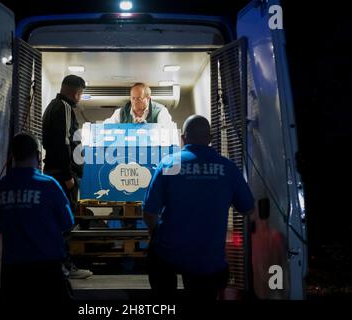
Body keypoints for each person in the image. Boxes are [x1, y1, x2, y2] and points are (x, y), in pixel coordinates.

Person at [143, 115, 255, 300]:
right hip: (209, 260)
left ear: (183, 138)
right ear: (210, 139)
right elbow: (248, 209)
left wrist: (156, 233)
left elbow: (149, 213)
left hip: (169, 253)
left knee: (157, 255)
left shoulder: (170, 164)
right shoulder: (228, 168)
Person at [0, 133, 74, 301]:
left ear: (12, 155)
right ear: (38, 155)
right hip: (46, 268)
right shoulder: (48, 184)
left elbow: (1, 225)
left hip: (12, 270)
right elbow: (68, 222)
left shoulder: (1, 187)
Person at [42, 74, 93, 279]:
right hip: (61, 176)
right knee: (64, 223)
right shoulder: (63, 107)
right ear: (76, 92)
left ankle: (60, 265)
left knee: (59, 223)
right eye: (80, 93)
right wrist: (67, 175)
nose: (80, 97)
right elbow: (63, 143)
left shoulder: (52, 107)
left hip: (56, 174)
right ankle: (64, 266)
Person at [104, 82, 173, 124]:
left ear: (148, 98)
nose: (135, 101)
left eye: (139, 98)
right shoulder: (121, 112)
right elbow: (106, 127)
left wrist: (147, 128)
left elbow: (166, 132)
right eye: (133, 98)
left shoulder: (160, 111)